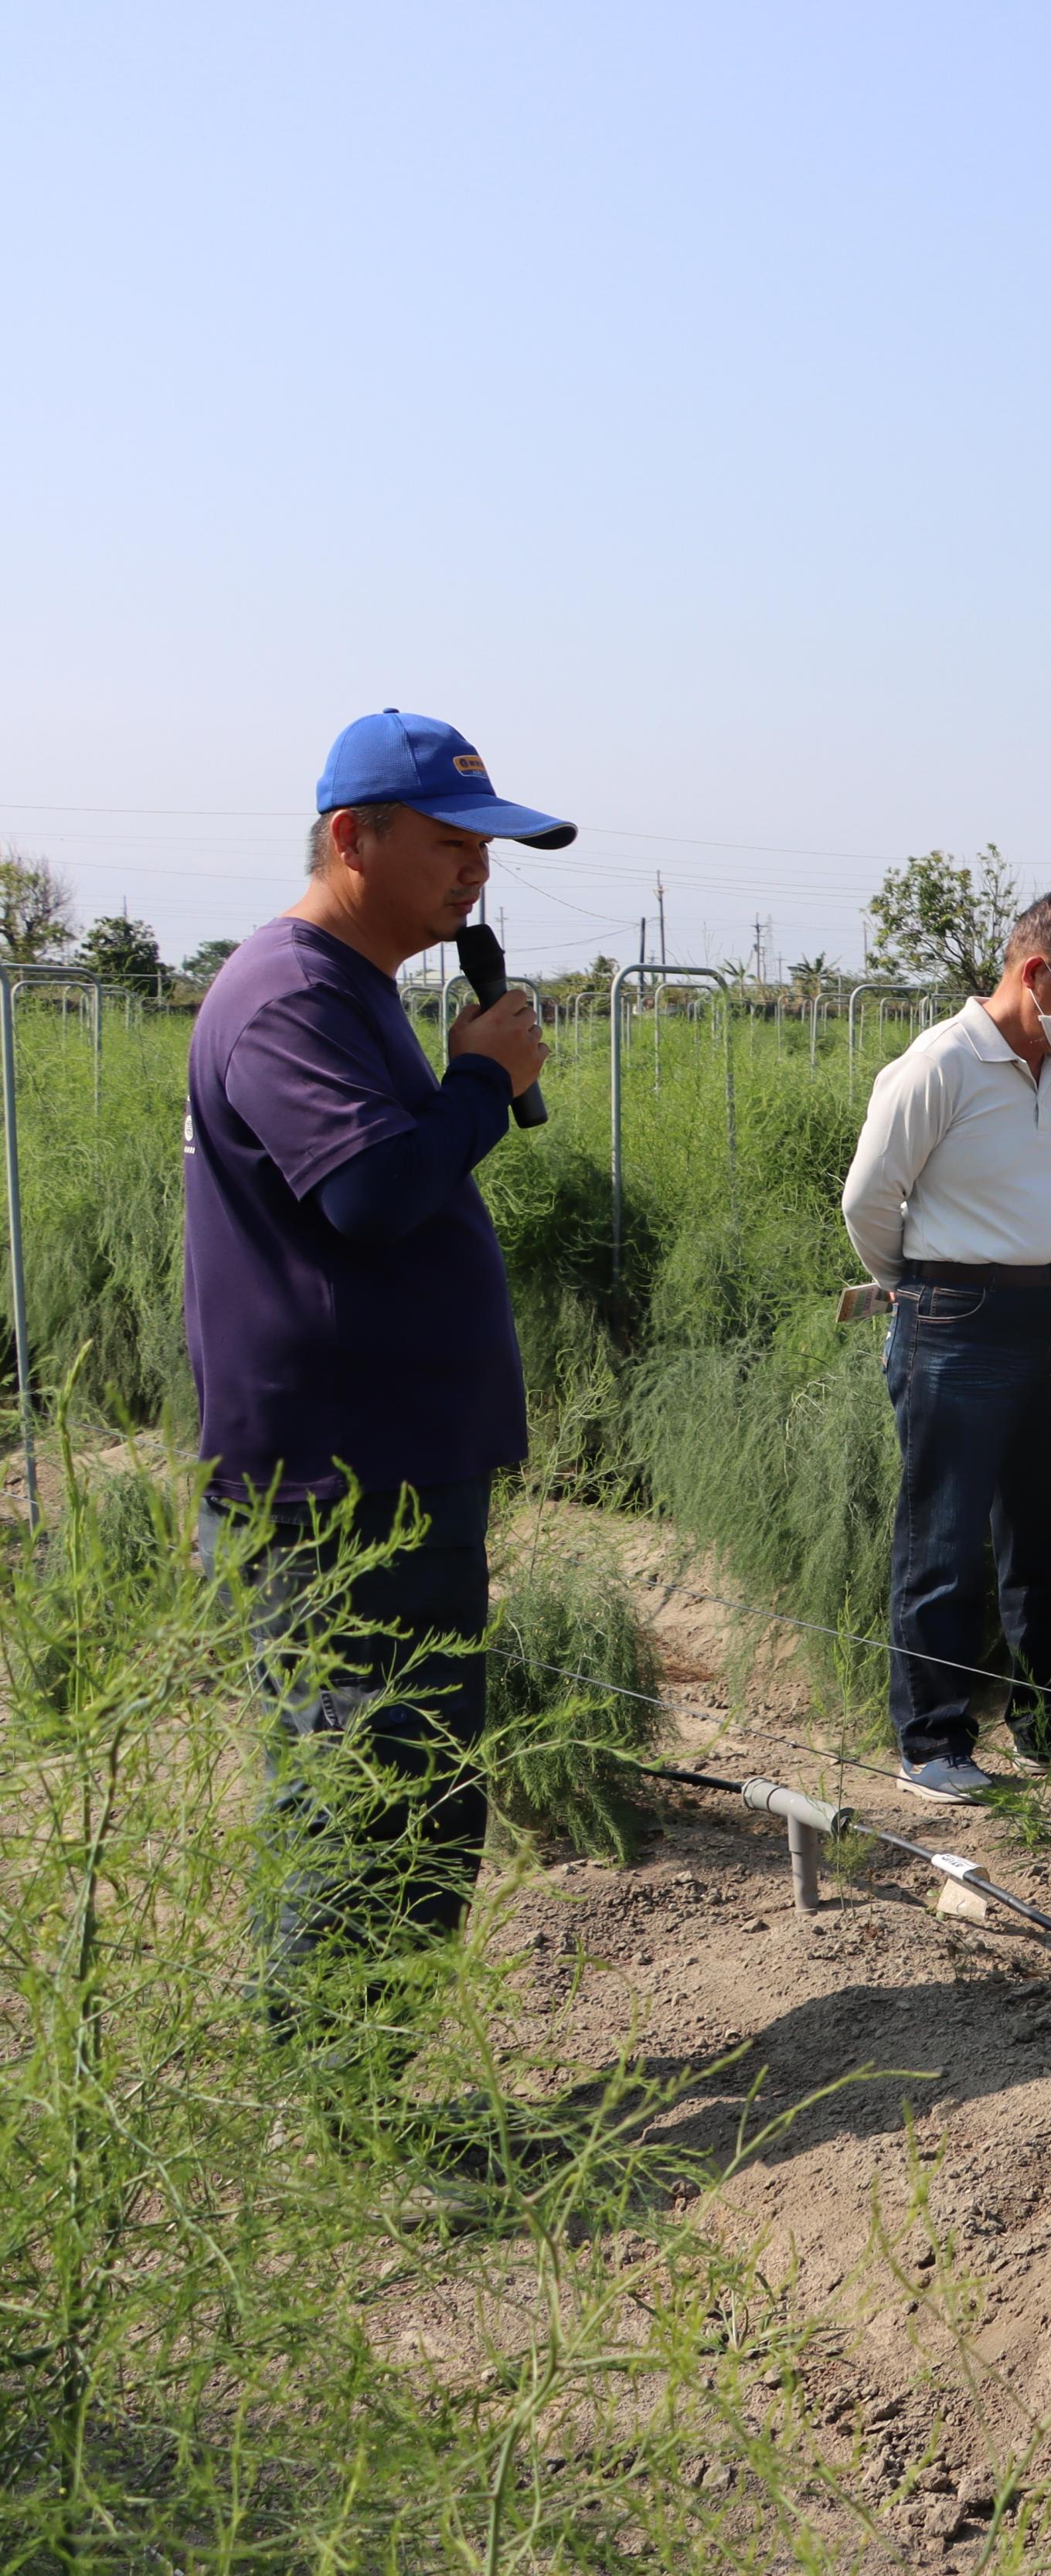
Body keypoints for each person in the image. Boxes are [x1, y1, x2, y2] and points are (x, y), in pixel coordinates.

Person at [189, 711, 562, 2019]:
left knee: (406, 1793)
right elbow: (367, 1193)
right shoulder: (292, 992)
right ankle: (346, 2115)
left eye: (487, 853)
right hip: (336, 1492)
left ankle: (358, 2095)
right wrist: (476, 1083)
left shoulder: (353, 991)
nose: (476, 875)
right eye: (452, 844)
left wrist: (463, 1082)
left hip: (391, 1470)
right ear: (352, 837)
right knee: (374, 1797)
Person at [841, 893, 1051, 1801]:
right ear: (1035, 974)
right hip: (956, 1324)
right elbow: (867, 1201)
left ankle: (1047, 1722)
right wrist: (923, 1290)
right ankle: (932, 1743)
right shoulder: (941, 1063)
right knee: (945, 1536)